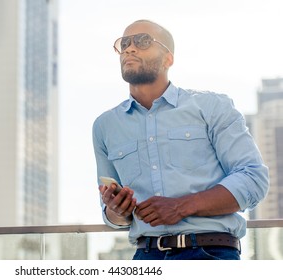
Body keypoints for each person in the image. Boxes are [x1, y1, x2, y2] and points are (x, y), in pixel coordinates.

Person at [92, 19, 269, 260]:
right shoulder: (105, 126)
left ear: (168, 59)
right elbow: (113, 218)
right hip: (145, 257)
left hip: (211, 253)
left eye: (143, 41)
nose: (130, 49)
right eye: (124, 43)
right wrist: (116, 210)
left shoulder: (212, 107)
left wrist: (182, 206)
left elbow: (253, 178)